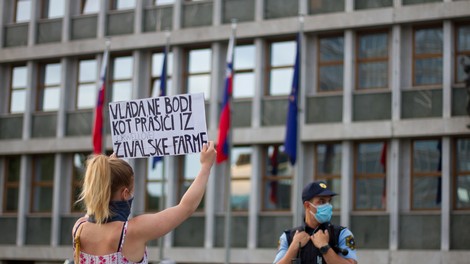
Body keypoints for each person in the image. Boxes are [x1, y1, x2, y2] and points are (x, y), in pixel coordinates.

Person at [72, 141, 217, 264]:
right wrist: (205, 166)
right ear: (125, 194)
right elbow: (186, 207)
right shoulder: (131, 232)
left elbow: (96, 203)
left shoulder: (79, 228)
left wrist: (109, 170)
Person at [273, 181, 357, 264]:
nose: (328, 206)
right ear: (307, 205)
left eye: (329, 201)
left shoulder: (341, 234)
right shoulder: (288, 237)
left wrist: (324, 247)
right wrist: (294, 247)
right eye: (322, 201)